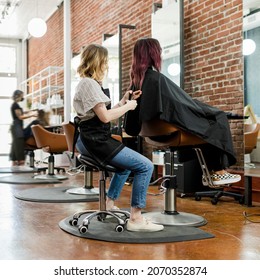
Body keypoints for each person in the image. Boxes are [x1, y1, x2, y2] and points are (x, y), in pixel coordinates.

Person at [125, 37, 241, 186]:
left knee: (205, 126)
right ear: (154, 54)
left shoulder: (136, 83)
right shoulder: (156, 79)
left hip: (155, 133)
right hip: (170, 130)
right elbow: (181, 105)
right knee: (215, 121)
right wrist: (205, 110)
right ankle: (218, 172)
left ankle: (213, 173)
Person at [73, 44, 164, 232]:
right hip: (95, 141)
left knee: (123, 169)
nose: (106, 65)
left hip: (92, 139)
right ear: (97, 61)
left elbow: (102, 111)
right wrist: (129, 107)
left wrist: (123, 101)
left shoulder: (91, 83)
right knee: (145, 166)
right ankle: (136, 219)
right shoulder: (88, 83)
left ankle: (108, 203)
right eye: (105, 61)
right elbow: (105, 117)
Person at [9, 89, 38, 166]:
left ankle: (15, 161)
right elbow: (20, 117)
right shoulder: (15, 105)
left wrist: (30, 111)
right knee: (19, 143)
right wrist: (32, 115)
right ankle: (19, 161)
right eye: (22, 95)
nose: (23, 97)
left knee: (16, 143)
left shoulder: (16, 105)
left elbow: (21, 113)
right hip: (16, 126)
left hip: (17, 126)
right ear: (18, 96)